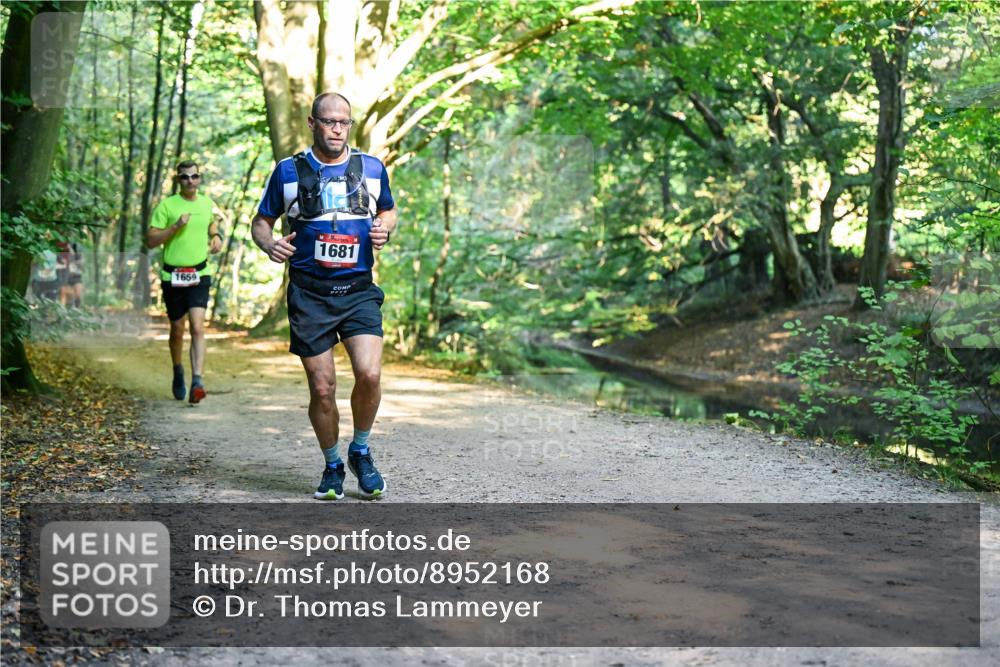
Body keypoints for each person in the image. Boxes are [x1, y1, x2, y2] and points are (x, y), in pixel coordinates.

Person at [251, 92, 397, 500]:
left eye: (343, 122)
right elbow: (261, 222)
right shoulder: (288, 171)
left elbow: (387, 210)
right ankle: (333, 464)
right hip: (310, 294)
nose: (337, 129)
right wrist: (269, 245)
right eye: (329, 121)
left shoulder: (370, 167)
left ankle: (361, 451)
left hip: (358, 290)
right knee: (322, 388)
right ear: (312, 123)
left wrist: (385, 227)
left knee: (369, 373)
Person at [147, 161, 222, 403]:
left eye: (194, 176)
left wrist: (216, 236)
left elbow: (212, 222)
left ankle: (197, 381)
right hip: (173, 275)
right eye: (185, 177)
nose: (190, 181)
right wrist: (175, 226)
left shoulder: (207, 203)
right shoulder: (167, 206)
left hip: (200, 273)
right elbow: (150, 240)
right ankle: (178, 370)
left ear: (200, 178)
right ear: (178, 180)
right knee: (177, 329)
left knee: (198, 327)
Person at [56, 241, 84, 308]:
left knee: (78, 293)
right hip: (64, 277)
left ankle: (78, 309)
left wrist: (73, 258)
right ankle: (62, 312)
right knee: (63, 294)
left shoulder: (77, 253)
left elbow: (81, 263)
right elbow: (57, 265)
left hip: (75, 277)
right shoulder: (59, 254)